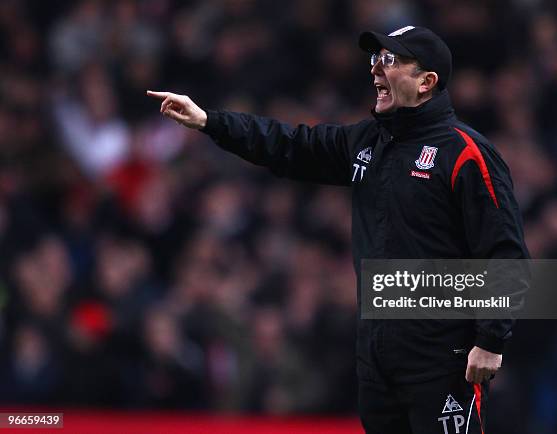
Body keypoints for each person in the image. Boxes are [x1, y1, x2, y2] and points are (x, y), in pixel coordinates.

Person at [147, 25, 529, 434]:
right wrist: (210, 122)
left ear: (426, 82)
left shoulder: (466, 154)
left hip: (443, 355)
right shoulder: (367, 141)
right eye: (375, 60)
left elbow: (506, 253)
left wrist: (491, 339)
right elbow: (289, 144)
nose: (376, 70)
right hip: (377, 356)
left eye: (390, 61)